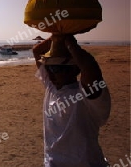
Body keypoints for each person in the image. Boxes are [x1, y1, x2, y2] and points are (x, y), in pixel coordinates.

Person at [32, 34, 111, 167]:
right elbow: (36, 51)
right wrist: (57, 36)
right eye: (48, 67)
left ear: (74, 69)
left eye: (56, 68)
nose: (50, 73)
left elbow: (89, 66)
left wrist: (69, 42)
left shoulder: (86, 95)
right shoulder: (51, 87)